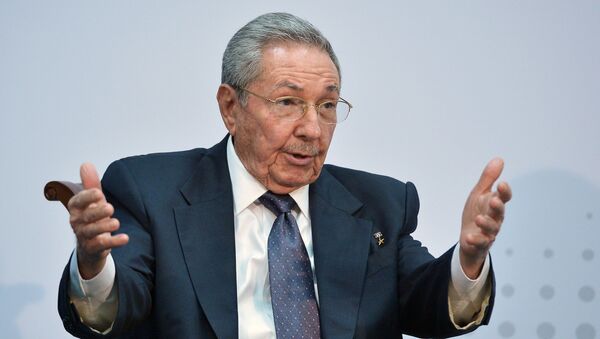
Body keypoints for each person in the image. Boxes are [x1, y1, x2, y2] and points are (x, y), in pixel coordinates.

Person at [58, 12, 512, 339]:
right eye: (288, 102)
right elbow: (116, 311)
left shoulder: (380, 206)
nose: (313, 129)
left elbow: (427, 305)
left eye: (328, 105)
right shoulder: (150, 191)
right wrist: (94, 265)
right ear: (230, 107)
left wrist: (468, 261)